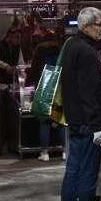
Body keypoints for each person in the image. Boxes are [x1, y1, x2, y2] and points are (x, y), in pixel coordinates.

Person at [59, 7, 101, 201]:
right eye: (99, 25)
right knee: (87, 175)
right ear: (85, 26)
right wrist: (98, 126)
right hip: (87, 124)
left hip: (73, 120)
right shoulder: (88, 52)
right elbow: (90, 93)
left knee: (72, 172)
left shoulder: (70, 46)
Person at [28, 28, 64, 162]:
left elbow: (33, 71)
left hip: (43, 88)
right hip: (58, 88)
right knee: (60, 120)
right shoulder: (60, 50)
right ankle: (65, 151)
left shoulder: (39, 52)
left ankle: (45, 153)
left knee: (44, 121)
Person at [0, 27, 23, 154]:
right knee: (2, 118)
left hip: (13, 87)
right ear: (10, 36)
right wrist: (6, 66)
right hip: (0, 87)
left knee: (13, 118)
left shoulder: (17, 48)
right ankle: (2, 144)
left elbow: (20, 63)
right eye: (17, 37)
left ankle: (12, 144)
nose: (18, 40)